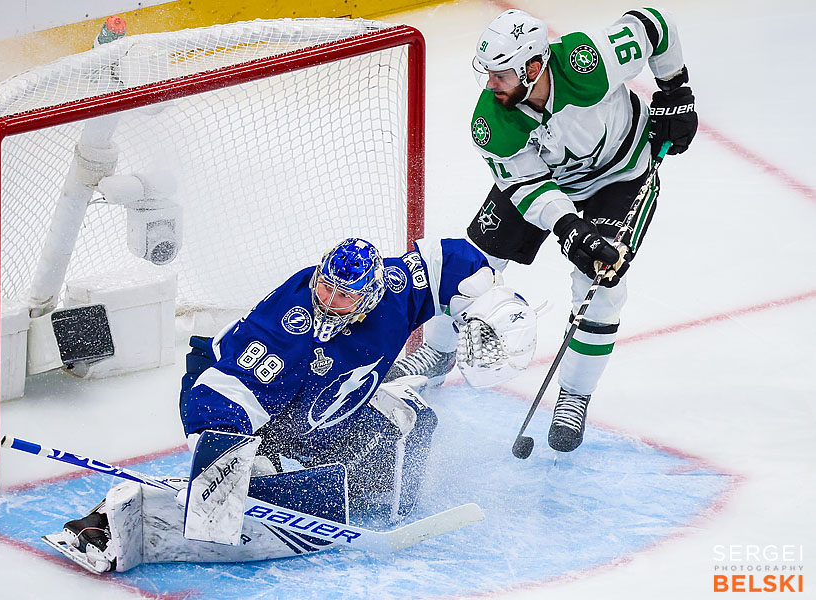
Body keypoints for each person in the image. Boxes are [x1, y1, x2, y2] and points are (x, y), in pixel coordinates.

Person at [49, 237, 537, 573]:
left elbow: (445, 262)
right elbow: (228, 390)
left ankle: (309, 484)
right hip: (249, 403)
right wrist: (229, 459)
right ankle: (105, 522)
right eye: (324, 284)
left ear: (371, 293)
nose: (327, 297)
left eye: (342, 294)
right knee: (237, 478)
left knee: (408, 440)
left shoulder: (393, 287)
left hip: (321, 410)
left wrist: (487, 299)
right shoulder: (292, 323)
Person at [386, 8, 698, 453]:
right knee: (471, 265)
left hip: (621, 177)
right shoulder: (492, 122)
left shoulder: (588, 61)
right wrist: (569, 226)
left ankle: (573, 395)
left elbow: (653, 25)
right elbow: (527, 186)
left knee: (602, 283)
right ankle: (438, 350)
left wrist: (676, 89)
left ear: (534, 68)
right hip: (547, 181)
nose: (490, 85)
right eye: (488, 74)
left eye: (501, 75)